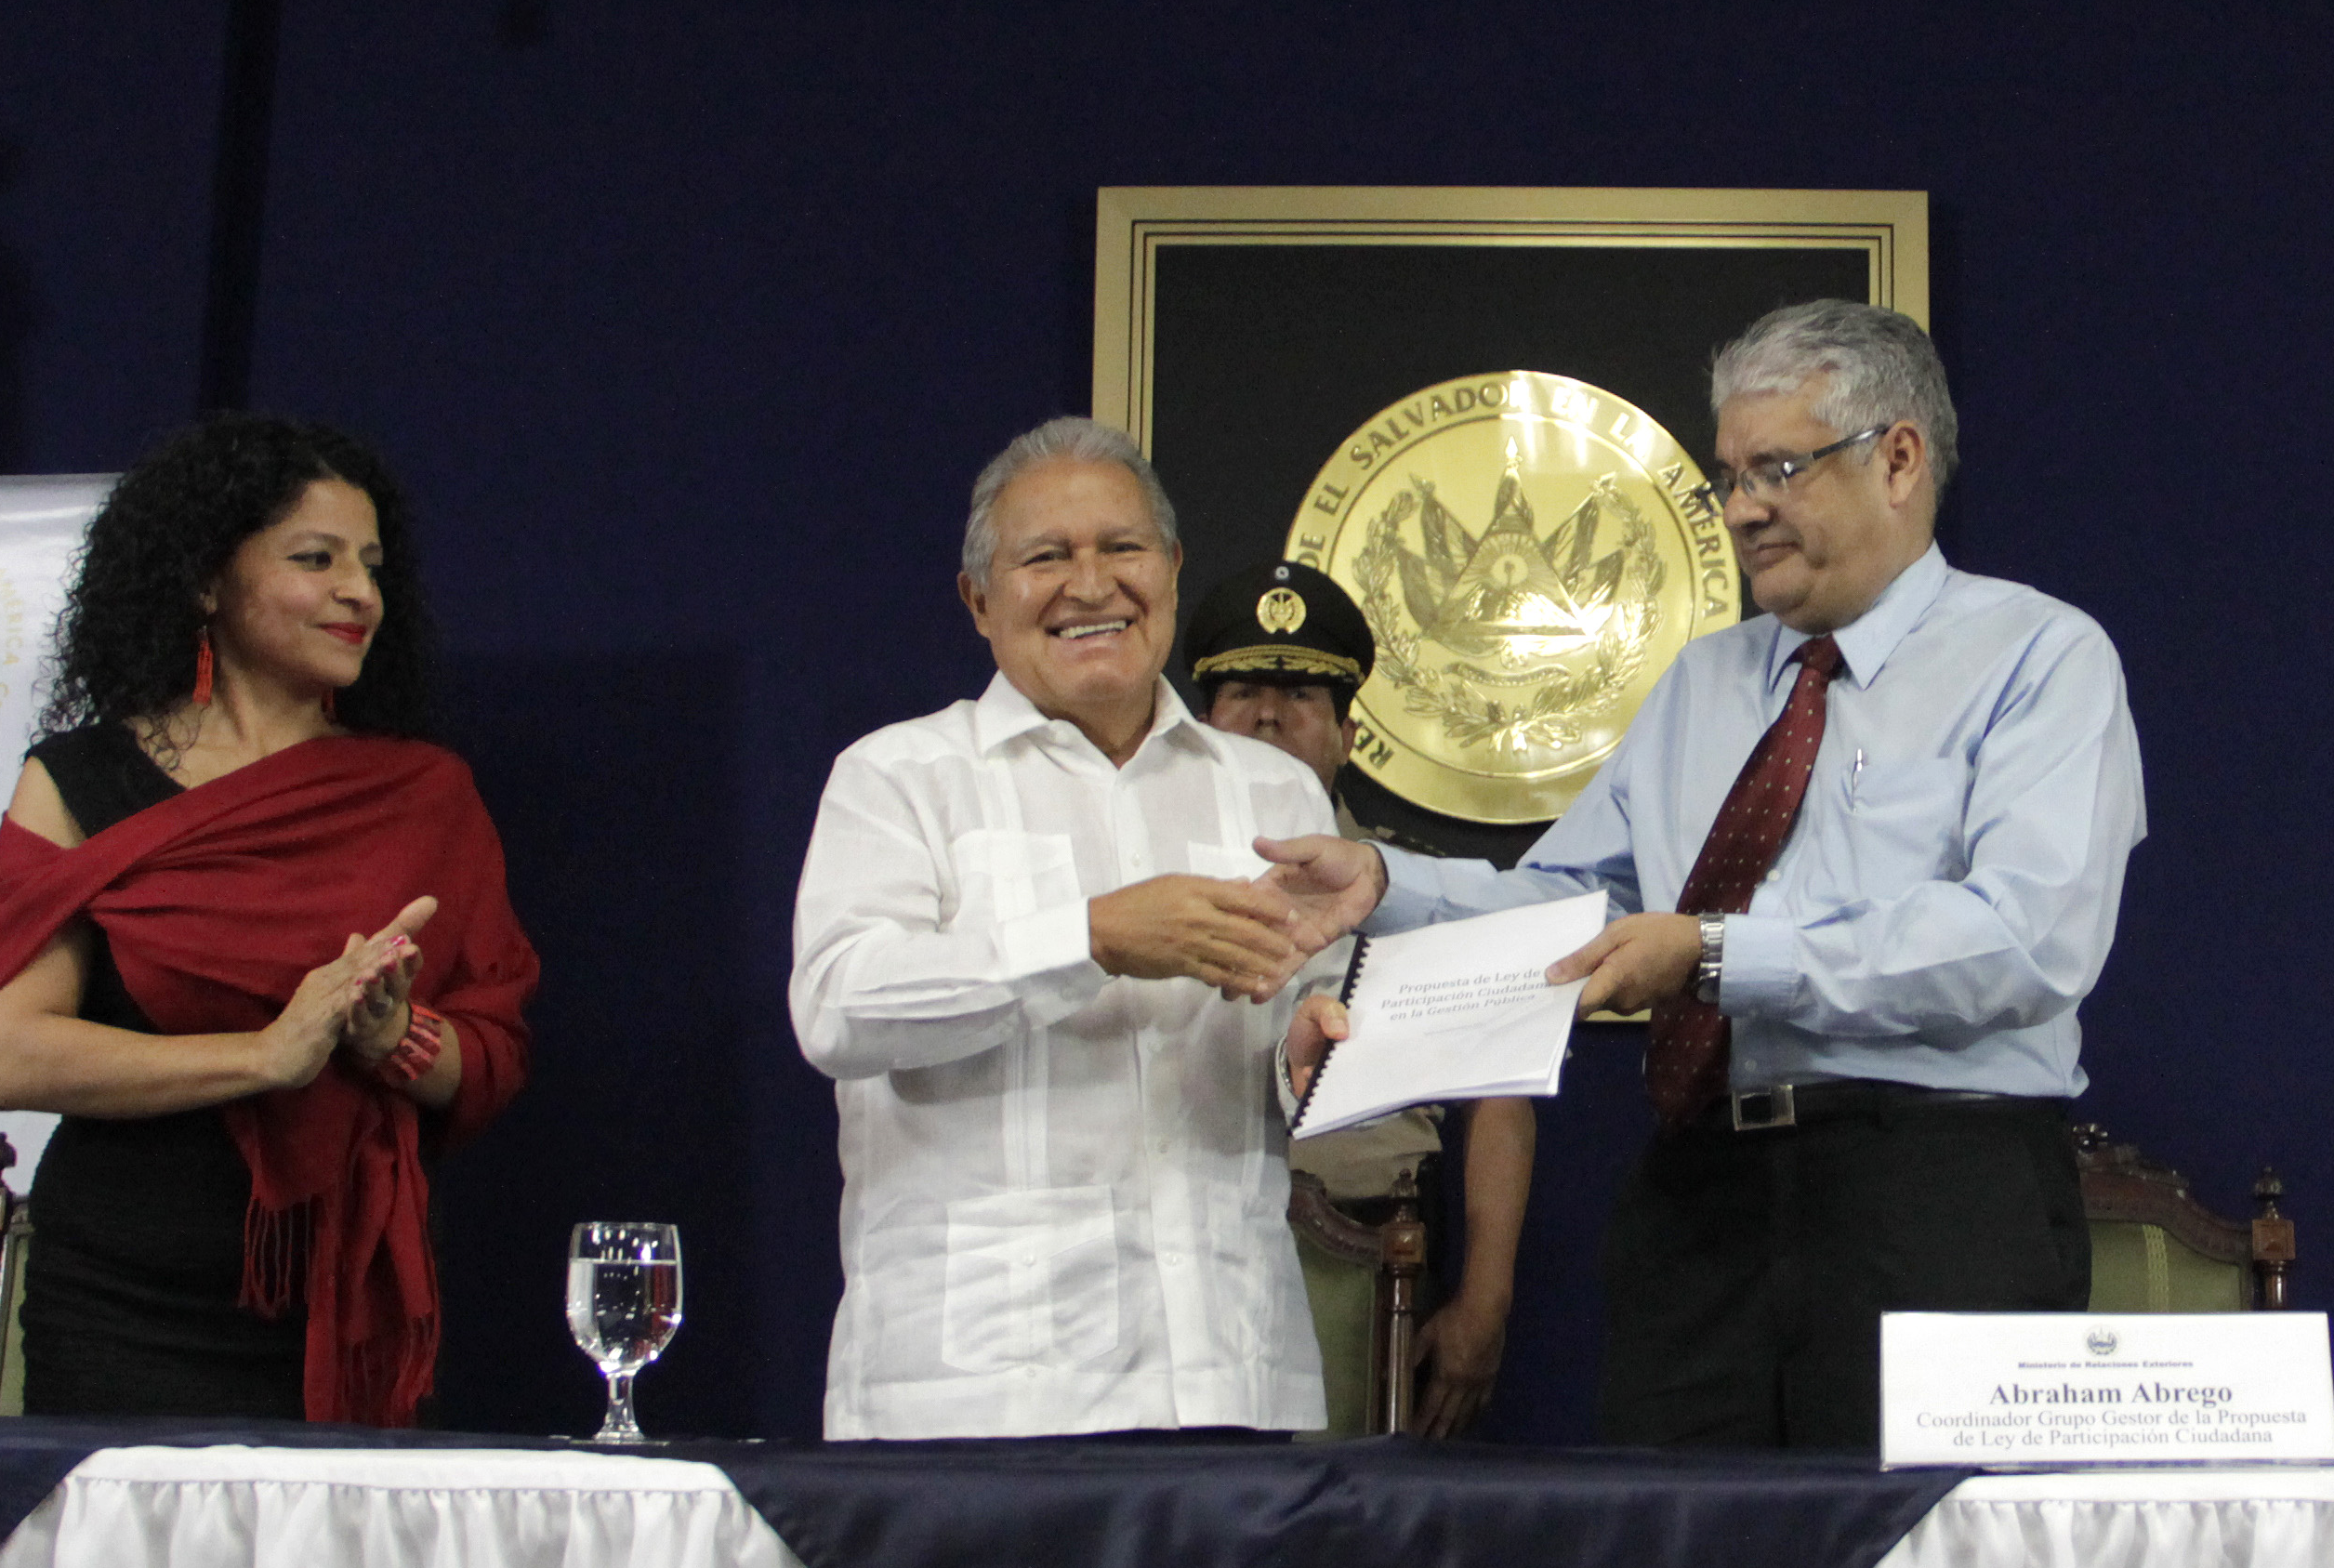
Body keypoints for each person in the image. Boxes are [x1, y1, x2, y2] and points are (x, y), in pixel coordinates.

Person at [1266, 301, 2147, 1451]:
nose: (1739, 509)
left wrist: (1718, 954)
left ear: (1897, 460)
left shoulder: (2039, 657)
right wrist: (1387, 884)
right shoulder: (1701, 683)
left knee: (1922, 1550)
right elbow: (1578, 908)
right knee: (1678, 1546)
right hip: (1700, 1197)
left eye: (1777, 469)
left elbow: (2023, 940)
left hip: (1934, 1189)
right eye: (1730, 476)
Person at [0, 415, 538, 1425]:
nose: (360, 593)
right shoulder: (76, 779)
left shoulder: (423, 794)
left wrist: (393, 1036)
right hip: (118, 1304)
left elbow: (489, 1056)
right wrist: (267, 1054)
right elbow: (13, 1055)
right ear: (206, 581)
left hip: (341, 1304)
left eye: (371, 566)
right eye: (317, 560)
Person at [791, 417, 1339, 1439]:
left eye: (1122, 548)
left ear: (1171, 569)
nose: (1092, 585)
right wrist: (1090, 939)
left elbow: (1311, 1037)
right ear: (978, 600)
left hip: (1232, 1372)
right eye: (1045, 557)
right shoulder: (899, 776)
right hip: (975, 1395)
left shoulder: (1278, 793)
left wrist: (1315, 1053)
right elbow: (838, 1007)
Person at [1187, 557, 1535, 1437]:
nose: (1269, 715)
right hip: (1180, 1251)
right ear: (1200, 725)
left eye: (1302, 694)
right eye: (1242, 692)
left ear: (1347, 734)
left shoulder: (1416, 892)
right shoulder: (1144, 890)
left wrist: (1486, 1301)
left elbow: (1502, 1093)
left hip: (1369, 1256)